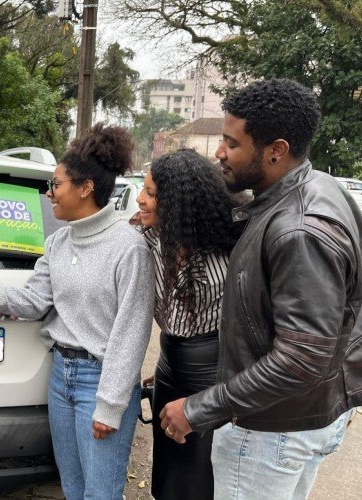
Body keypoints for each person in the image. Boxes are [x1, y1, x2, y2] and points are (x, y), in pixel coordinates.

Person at [159, 79, 362, 499]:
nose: (219, 153)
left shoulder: (297, 229)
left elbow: (301, 358)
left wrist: (198, 408)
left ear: (276, 150)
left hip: (271, 432)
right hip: (300, 419)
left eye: (231, 143)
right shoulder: (316, 186)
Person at [0, 123, 155, 499]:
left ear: (86, 187)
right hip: (61, 378)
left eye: (56, 185)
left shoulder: (129, 247)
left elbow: (132, 334)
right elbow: (34, 302)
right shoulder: (58, 242)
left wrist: (109, 406)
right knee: (72, 489)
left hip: (100, 380)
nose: (49, 193)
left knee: (100, 494)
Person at [135, 149, 242, 500]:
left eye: (151, 194)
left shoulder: (228, 249)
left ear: (179, 203)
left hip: (212, 375)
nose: (140, 199)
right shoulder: (150, 239)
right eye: (144, 189)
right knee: (168, 471)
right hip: (169, 366)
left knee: (202, 475)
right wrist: (168, 362)